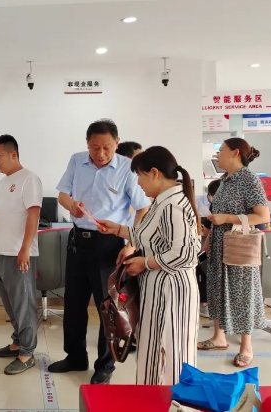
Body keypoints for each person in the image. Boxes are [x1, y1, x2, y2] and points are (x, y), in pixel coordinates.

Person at [49, 119, 151, 384]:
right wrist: (71, 205)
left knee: (108, 307)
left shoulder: (127, 168)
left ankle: (105, 364)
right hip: (78, 241)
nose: (101, 153)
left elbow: (143, 208)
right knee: (73, 303)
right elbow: (62, 195)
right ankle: (75, 357)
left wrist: (131, 244)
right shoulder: (76, 161)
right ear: (87, 144)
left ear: (117, 143)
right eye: (95, 147)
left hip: (109, 245)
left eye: (107, 147)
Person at [97, 146, 201, 385]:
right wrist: (118, 229)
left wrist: (145, 263)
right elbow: (150, 237)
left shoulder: (173, 205)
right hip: (157, 289)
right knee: (152, 350)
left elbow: (184, 254)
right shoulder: (162, 202)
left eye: (140, 176)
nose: (138, 183)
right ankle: (150, 397)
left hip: (172, 291)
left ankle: (177, 401)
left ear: (154, 173)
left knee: (174, 353)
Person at [198, 138, 270, 368]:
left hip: (238, 246)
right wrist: (209, 238)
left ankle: (246, 347)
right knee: (217, 288)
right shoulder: (224, 180)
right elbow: (216, 215)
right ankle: (218, 337)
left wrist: (228, 218)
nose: (217, 155)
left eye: (221, 151)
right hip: (219, 244)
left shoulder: (249, 179)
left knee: (242, 292)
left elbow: (263, 216)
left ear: (235, 153)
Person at [0, 135, 43, 375]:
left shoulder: (29, 179)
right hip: (1, 251)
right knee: (11, 304)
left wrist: (25, 249)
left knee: (23, 304)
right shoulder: (4, 182)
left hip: (19, 253)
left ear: (13, 154)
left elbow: (33, 215)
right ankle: (17, 342)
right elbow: (0, 210)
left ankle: (27, 353)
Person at [197, 179, 221, 318]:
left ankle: (204, 303)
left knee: (198, 263)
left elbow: (206, 232)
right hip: (240, 255)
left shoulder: (215, 207)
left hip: (213, 253)